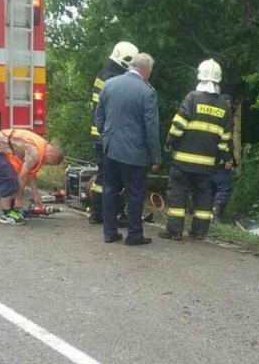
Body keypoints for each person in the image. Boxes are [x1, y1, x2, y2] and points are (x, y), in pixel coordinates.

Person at [159, 59, 233, 241]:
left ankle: (174, 231)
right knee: (204, 198)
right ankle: (199, 232)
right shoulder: (224, 106)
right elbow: (225, 139)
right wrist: (221, 158)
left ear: (200, 75)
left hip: (183, 161)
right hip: (206, 165)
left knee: (177, 194)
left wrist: (170, 142)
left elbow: (178, 126)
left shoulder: (192, 98)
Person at [94, 52, 161, 245]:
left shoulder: (109, 84)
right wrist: (156, 157)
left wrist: (106, 136)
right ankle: (134, 235)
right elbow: (151, 128)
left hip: (110, 149)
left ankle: (109, 232)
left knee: (109, 190)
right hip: (134, 153)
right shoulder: (147, 92)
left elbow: (99, 116)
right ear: (146, 70)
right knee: (135, 193)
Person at [88, 41, 138, 224]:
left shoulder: (103, 75)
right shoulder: (114, 79)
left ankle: (97, 213)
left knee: (103, 176)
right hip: (110, 136)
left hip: (100, 134)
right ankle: (115, 214)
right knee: (116, 178)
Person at [0, 128, 64, 225]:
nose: (45, 164)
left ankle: (12, 211)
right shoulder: (35, 153)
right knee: (8, 180)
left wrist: (36, 195)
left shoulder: (41, 145)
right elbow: (22, 177)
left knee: (13, 179)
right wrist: (19, 199)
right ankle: (6, 214)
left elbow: (30, 173)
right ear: (49, 156)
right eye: (48, 163)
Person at [211, 95, 237, 221]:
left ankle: (206, 216)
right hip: (221, 161)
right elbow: (226, 142)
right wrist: (228, 159)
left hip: (208, 160)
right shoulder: (226, 119)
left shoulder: (210, 116)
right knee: (223, 189)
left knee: (208, 188)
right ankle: (216, 218)